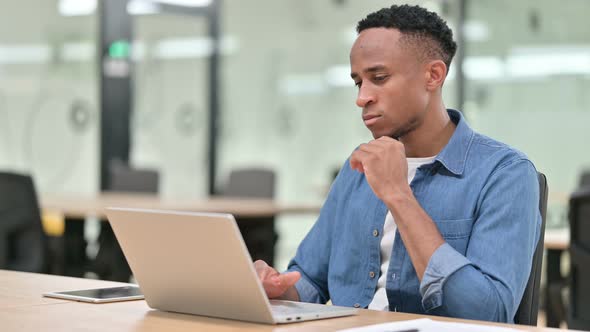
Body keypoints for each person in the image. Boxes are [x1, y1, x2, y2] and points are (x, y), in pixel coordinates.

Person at [255, 4, 541, 323]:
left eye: (378, 78)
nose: (362, 97)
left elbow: (488, 314)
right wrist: (277, 288)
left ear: (433, 75)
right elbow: (309, 279)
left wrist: (399, 195)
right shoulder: (357, 169)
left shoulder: (505, 173)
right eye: (358, 82)